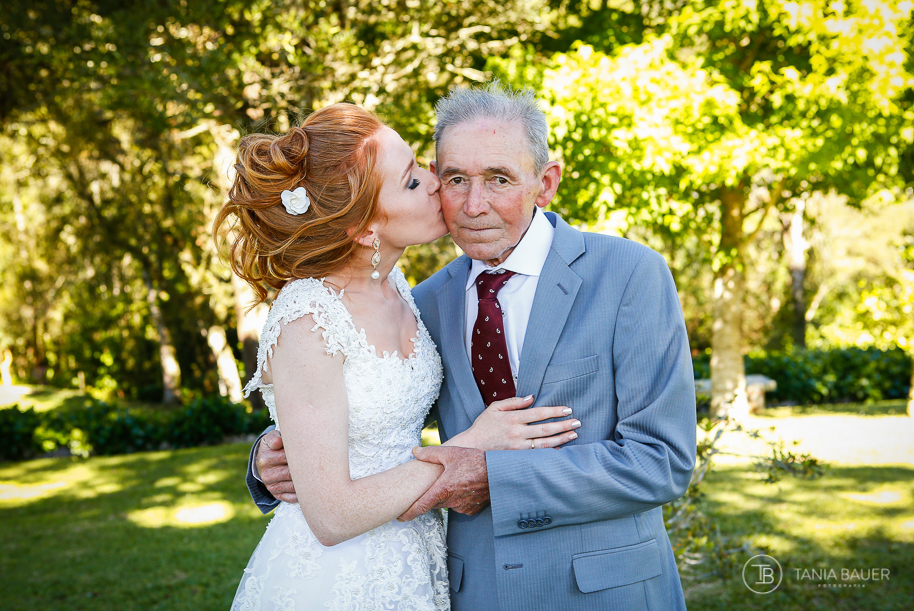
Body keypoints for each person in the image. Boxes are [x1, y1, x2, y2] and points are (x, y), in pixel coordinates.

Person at [249, 84, 697, 610]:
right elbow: (360, 415)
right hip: (469, 591)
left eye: (499, 179)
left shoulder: (629, 275)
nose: (473, 205)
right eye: (455, 179)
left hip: (607, 592)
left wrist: (492, 474)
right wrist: (270, 459)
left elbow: (662, 460)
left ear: (546, 183)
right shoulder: (423, 302)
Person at [217, 102, 580, 610]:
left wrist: (273, 453)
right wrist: (472, 445)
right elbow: (331, 517)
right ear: (364, 228)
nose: (436, 183)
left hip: (415, 556)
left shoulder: (403, 291)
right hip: (337, 577)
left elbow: (372, 414)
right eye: (411, 181)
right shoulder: (308, 317)